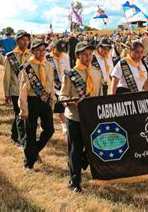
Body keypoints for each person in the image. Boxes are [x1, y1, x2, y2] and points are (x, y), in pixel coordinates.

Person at [60, 41, 103, 193]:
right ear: (77, 55)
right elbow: (63, 95)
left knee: (94, 147)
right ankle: (75, 181)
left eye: (90, 54)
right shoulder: (70, 74)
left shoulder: (97, 73)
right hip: (75, 117)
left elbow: (99, 96)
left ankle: (76, 165)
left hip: (92, 118)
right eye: (84, 54)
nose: (88, 57)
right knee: (75, 149)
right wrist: (71, 102)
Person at [18, 40, 55, 172]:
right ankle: (29, 163)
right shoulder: (27, 67)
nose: (41, 52)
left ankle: (33, 152)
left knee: (49, 130)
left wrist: (52, 101)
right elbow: (23, 90)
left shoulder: (49, 65)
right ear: (32, 51)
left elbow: (51, 86)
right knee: (30, 132)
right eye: (38, 50)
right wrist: (23, 109)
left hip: (45, 101)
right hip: (31, 101)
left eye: (43, 50)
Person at [3, 30, 31, 145]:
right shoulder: (10, 56)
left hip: (28, 90)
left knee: (20, 114)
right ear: (17, 41)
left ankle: (14, 135)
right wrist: (6, 92)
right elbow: (6, 76)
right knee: (20, 114)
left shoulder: (31, 55)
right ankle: (22, 140)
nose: (25, 42)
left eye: (27, 40)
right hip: (15, 90)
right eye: (22, 40)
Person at [47, 38, 71, 134]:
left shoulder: (65, 58)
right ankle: (45, 123)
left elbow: (67, 71)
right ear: (53, 47)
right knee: (50, 107)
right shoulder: (47, 58)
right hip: (50, 86)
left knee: (62, 106)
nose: (60, 52)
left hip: (62, 86)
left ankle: (64, 126)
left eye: (62, 51)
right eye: (58, 50)